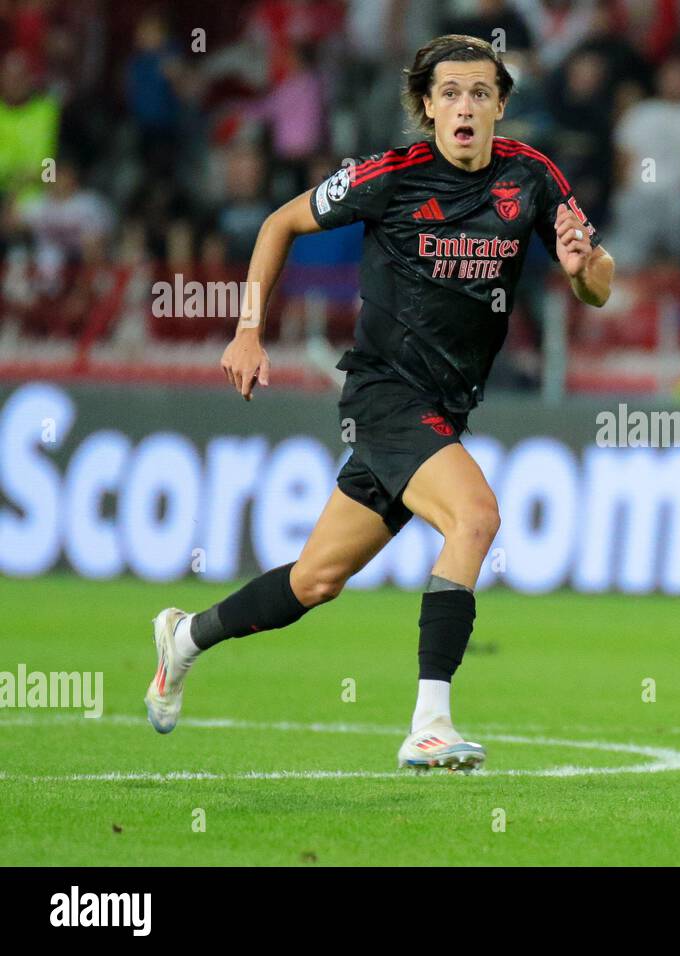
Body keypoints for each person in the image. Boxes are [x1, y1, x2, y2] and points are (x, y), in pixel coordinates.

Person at [144, 35, 614, 772]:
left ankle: (185, 638)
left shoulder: (532, 177)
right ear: (426, 108)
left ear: (500, 106)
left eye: (480, 93)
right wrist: (247, 330)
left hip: (444, 408)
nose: (465, 105)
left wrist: (588, 265)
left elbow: (598, 285)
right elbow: (280, 223)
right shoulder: (390, 176)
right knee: (477, 516)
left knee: (315, 580)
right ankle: (430, 722)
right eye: (450, 93)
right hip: (385, 394)